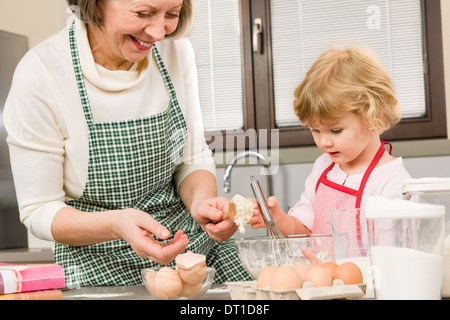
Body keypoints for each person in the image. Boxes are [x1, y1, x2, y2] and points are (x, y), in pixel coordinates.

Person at [3, 0, 252, 286]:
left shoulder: (176, 50)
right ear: (94, 6)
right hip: (99, 269)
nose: (159, 33)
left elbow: (191, 157)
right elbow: (39, 209)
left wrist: (202, 203)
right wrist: (118, 224)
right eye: (143, 13)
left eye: (172, 14)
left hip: (194, 255)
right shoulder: (43, 73)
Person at [250, 45, 413, 237]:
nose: (324, 142)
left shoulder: (393, 183)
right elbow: (305, 229)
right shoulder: (324, 167)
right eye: (315, 130)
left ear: (373, 117)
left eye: (336, 130)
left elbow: (392, 256)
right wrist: (279, 220)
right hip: (321, 266)